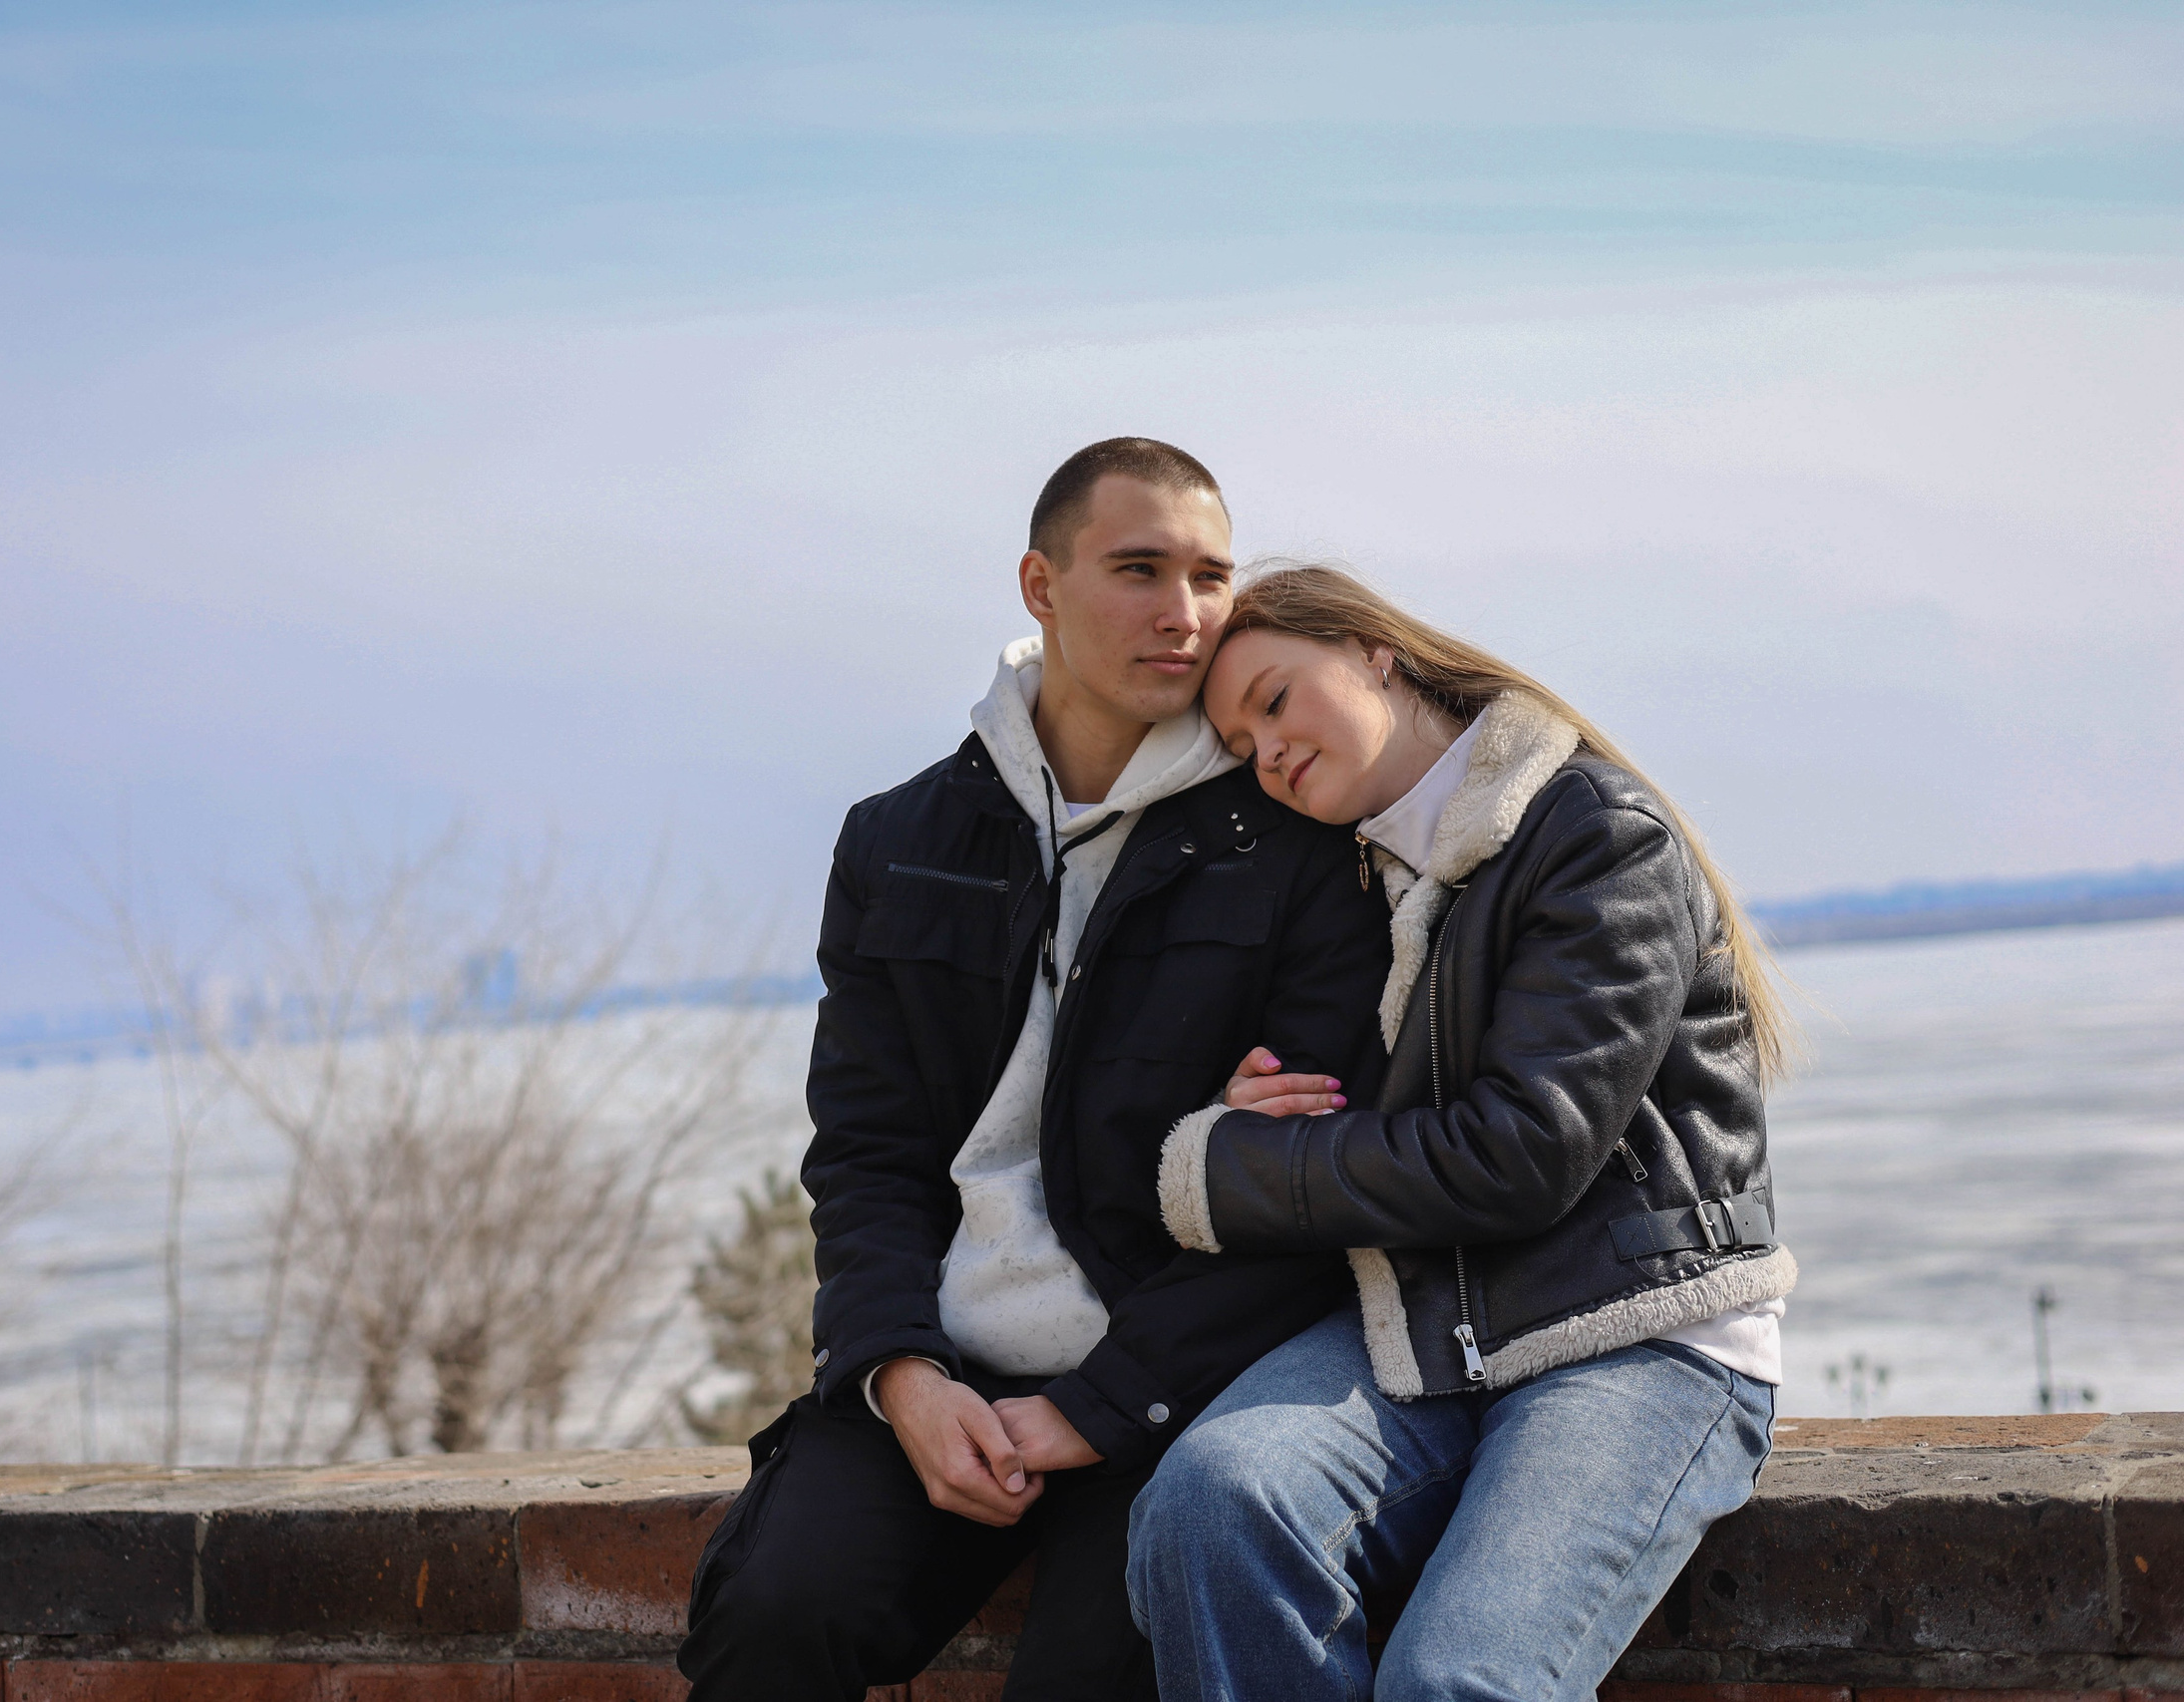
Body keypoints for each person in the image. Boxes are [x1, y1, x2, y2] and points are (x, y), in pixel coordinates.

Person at [676, 446, 1392, 1700]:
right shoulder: (898, 842)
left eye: (1210, 576)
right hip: (945, 1369)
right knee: (772, 1615)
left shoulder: (1291, 844)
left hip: (1175, 1384)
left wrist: (1100, 1406)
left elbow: (1303, 1192)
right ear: (1038, 585)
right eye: (1138, 569)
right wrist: (901, 1375)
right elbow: (869, 1156)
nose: (1183, 612)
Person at [1129, 563, 1798, 1701]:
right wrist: (1259, 1103)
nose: (1269, 754)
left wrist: (1224, 1168)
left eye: (1277, 701)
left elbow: (1518, 1155)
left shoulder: (1589, 833)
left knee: (1456, 1680)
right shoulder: (1367, 873)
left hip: (1635, 1335)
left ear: (1372, 650)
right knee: (1207, 1508)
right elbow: (1367, 1108)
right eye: (1241, 746)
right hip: (1432, 1326)